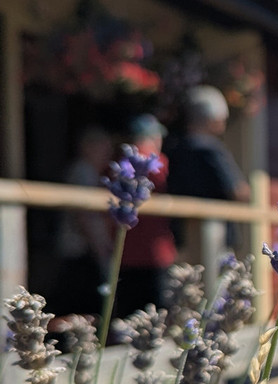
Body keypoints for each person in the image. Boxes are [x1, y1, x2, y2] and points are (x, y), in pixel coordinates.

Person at [167, 85, 250, 250]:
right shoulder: (211, 149)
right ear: (213, 118)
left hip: (180, 237)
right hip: (214, 236)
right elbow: (238, 191)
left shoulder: (174, 147)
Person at [114, 114, 178, 317]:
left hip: (123, 254)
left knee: (127, 318)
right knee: (157, 317)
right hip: (155, 253)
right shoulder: (158, 161)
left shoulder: (119, 163)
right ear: (154, 137)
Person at [51, 127, 115, 317]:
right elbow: (83, 215)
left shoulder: (93, 173)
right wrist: (98, 246)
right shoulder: (83, 171)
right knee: (80, 303)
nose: (107, 155)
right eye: (103, 149)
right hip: (81, 249)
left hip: (85, 250)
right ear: (88, 148)